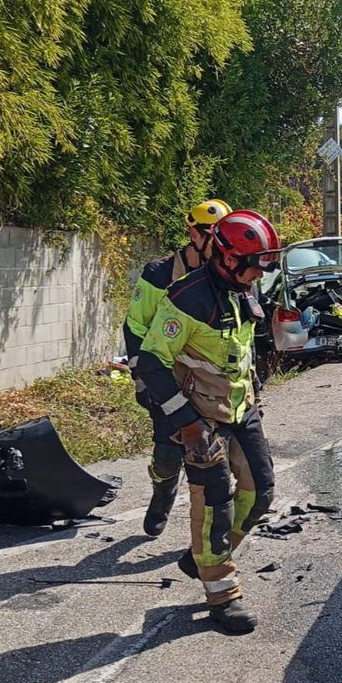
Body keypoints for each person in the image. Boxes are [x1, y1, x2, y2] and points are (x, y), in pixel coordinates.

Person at [138, 210, 281, 635]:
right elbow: (152, 361)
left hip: (241, 410)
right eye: (256, 262)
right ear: (227, 258)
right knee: (214, 505)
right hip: (199, 419)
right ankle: (222, 594)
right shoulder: (188, 297)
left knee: (260, 493)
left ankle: (200, 557)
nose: (261, 271)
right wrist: (186, 422)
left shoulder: (244, 291)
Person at [123, 199, 232, 537]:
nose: (218, 244)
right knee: (168, 456)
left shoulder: (229, 275)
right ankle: (163, 492)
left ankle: (211, 536)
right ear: (193, 234)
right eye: (211, 235)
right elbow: (135, 327)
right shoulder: (159, 273)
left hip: (211, 382)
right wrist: (142, 379)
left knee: (217, 457)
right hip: (167, 379)